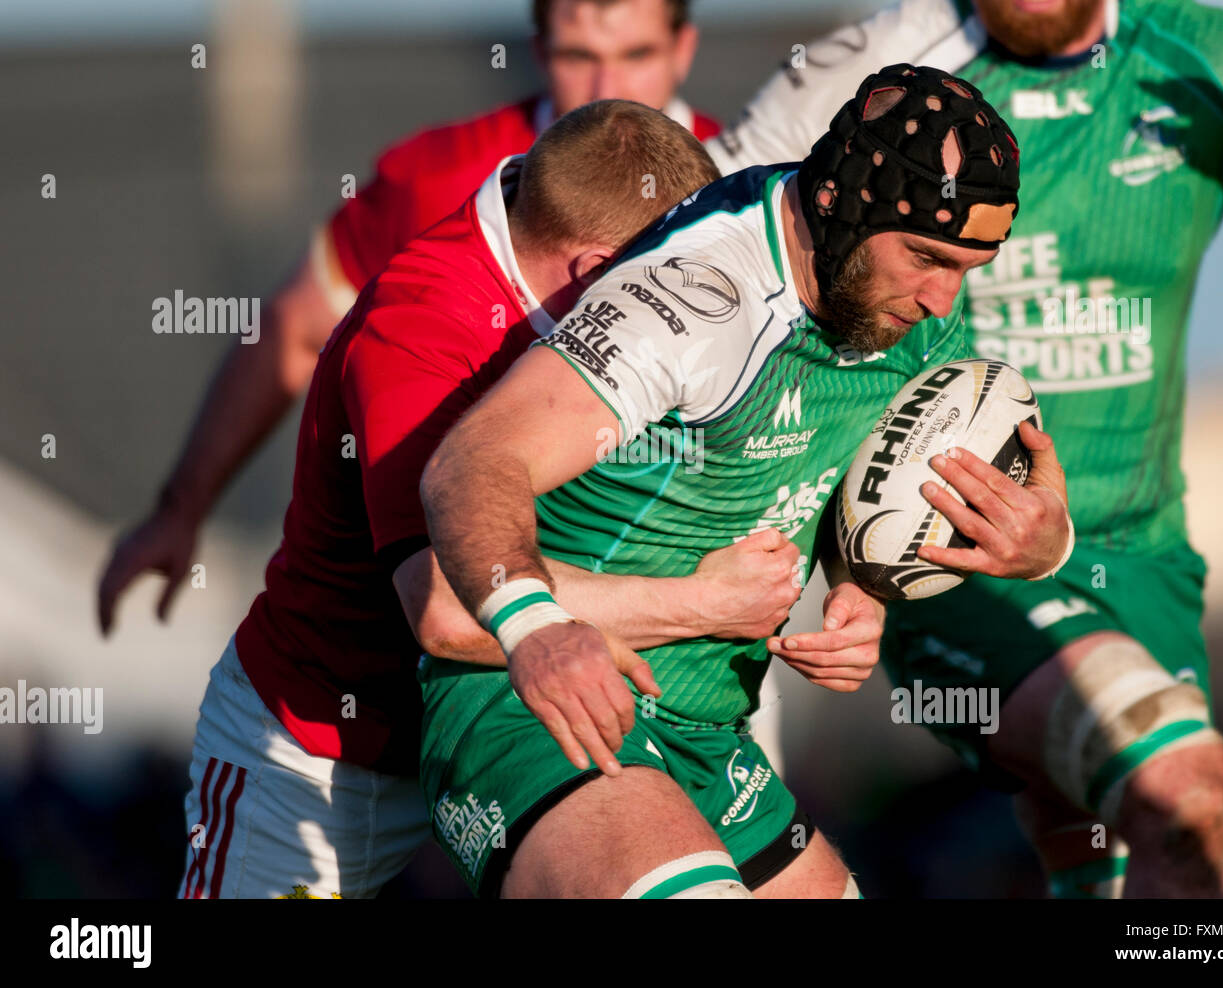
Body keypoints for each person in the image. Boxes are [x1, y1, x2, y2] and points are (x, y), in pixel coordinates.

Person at [418, 64, 1074, 899]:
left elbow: (869, 466)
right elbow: (475, 461)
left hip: (705, 731)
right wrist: (536, 628)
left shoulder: (892, 295)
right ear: (840, 204)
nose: (944, 300)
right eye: (926, 258)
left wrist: (893, 580)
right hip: (536, 702)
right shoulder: (698, 300)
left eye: (968, 267)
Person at [707, 0, 1223, 898]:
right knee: (1186, 789)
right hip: (947, 555)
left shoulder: (1207, 55)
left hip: (1145, 557)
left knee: (1123, 861)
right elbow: (705, 240)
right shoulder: (879, 71)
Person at [179, 101, 777, 899]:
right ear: (597, 269)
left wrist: (857, 585)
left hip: (521, 729)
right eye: (671, 274)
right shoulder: (420, 333)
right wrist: (703, 603)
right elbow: (446, 608)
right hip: (335, 750)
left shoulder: (579, 287)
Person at [97, 0, 718, 636]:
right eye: (577, 55)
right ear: (538, 52)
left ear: (684, 48)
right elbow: (292, 331)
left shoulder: (743, 191)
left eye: (635, 55)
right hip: (429, 637)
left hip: (684, 634)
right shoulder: (436, 180)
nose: (605, 87)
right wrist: (181, 508)